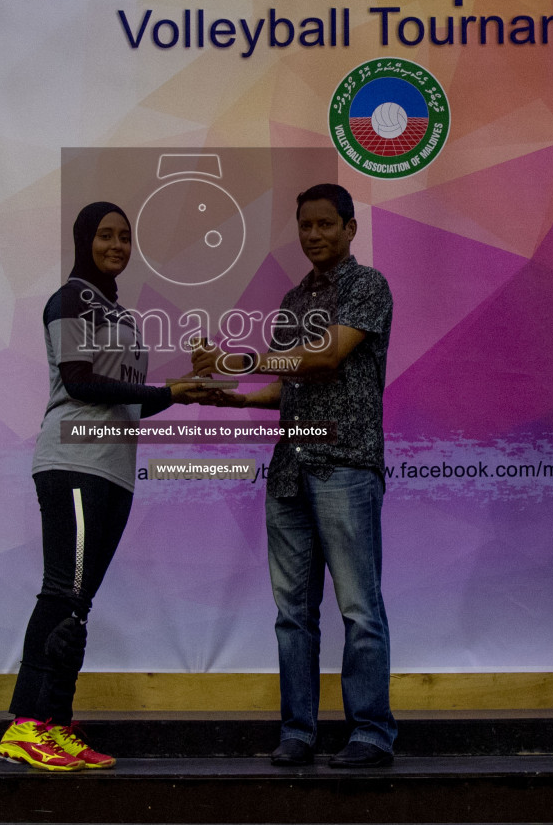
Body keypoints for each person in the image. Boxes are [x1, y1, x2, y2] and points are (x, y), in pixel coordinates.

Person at [192, 183, 396, 769]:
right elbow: (291, 383)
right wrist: (231, 398)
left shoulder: (368, 286)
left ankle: (371, 734)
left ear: (351, 228)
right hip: (289, 471)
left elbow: (328, 357)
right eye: (305, 226)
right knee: (292, 615)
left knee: (359, 608)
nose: (314, 235)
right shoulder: (290, 301)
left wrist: (239, 359)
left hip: (345, 464)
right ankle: (299, 732)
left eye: (326, 224)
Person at [0, 202, 203, 772]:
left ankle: (55, 723)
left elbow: (130, 400)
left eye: (124, 236)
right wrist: (167, 391)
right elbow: (79, 380)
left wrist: (182, 389)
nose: (116, 244)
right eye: (105, 235)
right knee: (62, 592)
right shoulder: (69, 300)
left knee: (77, 603)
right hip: (73, 463)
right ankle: (27, 725)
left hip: (113, 469)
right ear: (83, 239)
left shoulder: (125, 317)